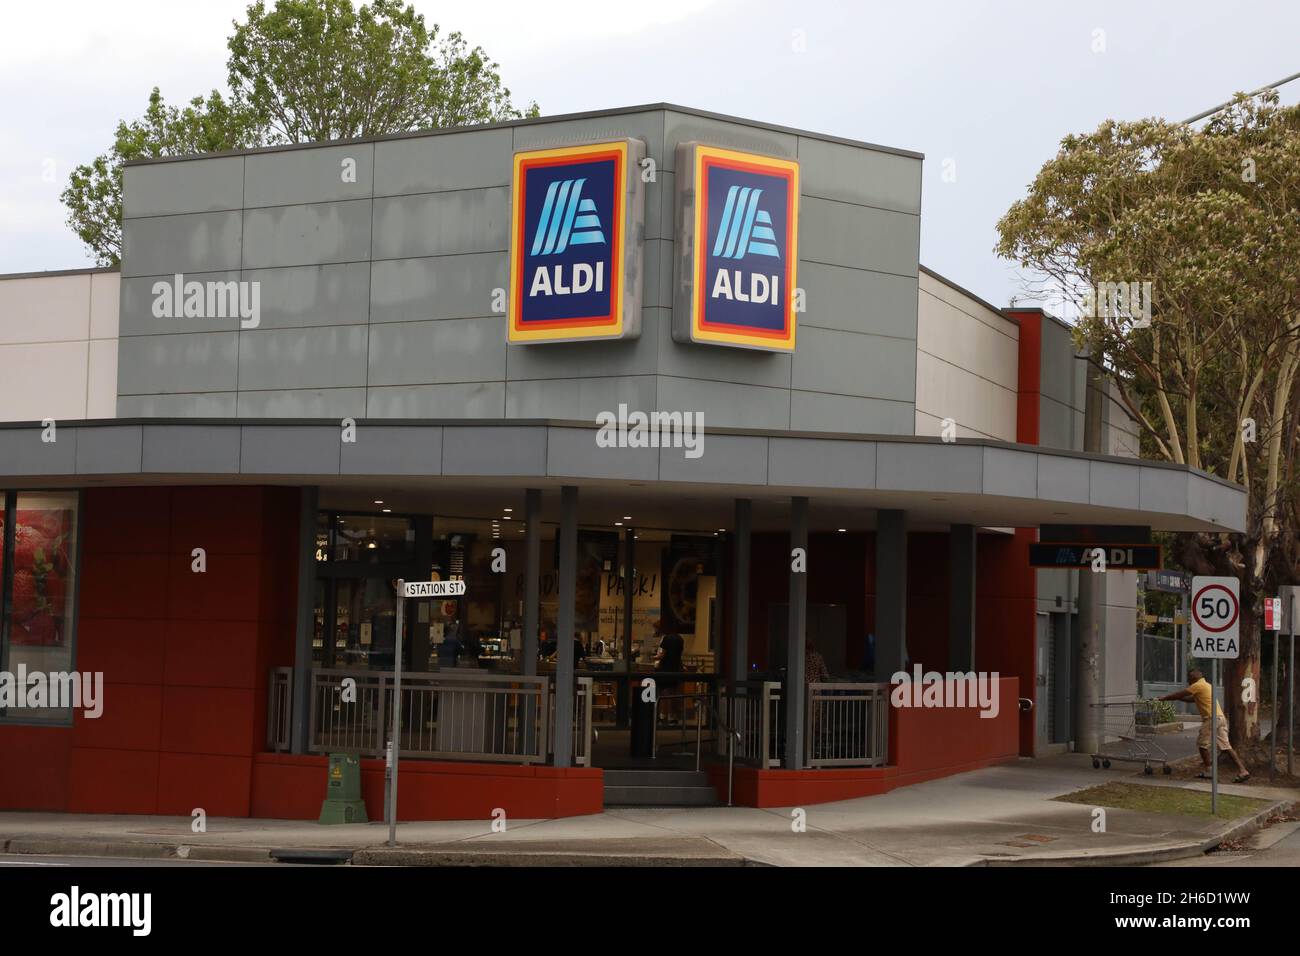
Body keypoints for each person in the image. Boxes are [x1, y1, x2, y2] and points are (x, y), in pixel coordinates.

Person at [1159, 669, 1250, 782]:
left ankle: (1209, 771)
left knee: (1202, 745)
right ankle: (1243, 770)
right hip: (1220, 718)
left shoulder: (1198, 685)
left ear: (1192, 679)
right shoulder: (1206, 685)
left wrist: (1164, 698)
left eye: (1189, 679)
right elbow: (1192, 699)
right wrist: (1177, 698)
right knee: (1226, 746)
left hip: (1211, 719)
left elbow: (1181, 693)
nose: (1188, 681)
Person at [652, 619, 685, 725]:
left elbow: (662, 655)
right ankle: (673, 717)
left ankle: (663, 716)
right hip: (675, 669)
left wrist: (653, 657)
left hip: (665, 669)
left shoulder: (666, 638)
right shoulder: (680, 639)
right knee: (673, 693)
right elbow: (678, 655)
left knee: (664, 693)